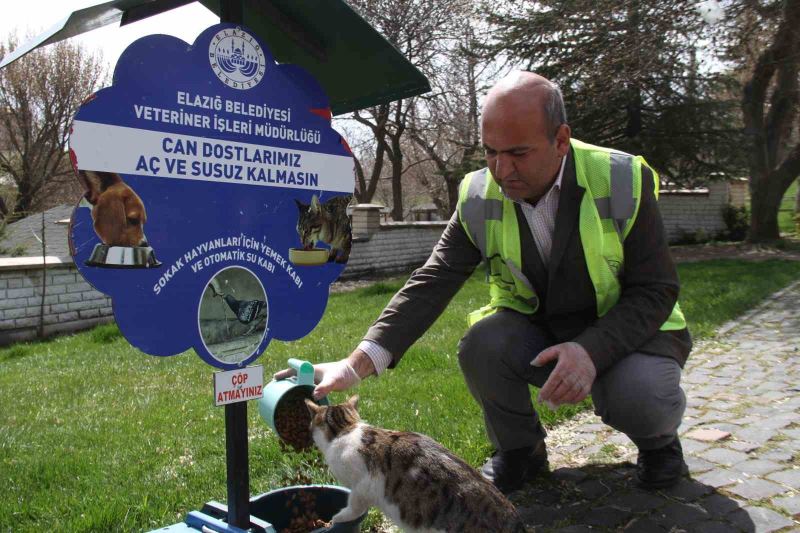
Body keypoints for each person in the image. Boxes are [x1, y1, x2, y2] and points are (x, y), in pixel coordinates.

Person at [276, 71, 692, 493]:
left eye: (518, 153)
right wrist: (355, 364)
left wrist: (590, 351)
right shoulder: (479, 196)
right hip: (542, 331)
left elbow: (656, 289)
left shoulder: (620, 179)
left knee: (641, 394)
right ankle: (520, 452)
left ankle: (659, 446)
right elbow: (433, 280)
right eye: (491, 152)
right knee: (482, 344)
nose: (501, 169)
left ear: (561, 139)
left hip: (626, 333)